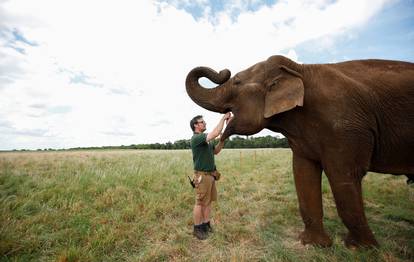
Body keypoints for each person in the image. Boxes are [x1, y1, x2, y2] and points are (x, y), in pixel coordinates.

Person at [189, 112, 233, 240]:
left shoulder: (206, 141)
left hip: (210, 176)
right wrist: (223, 118)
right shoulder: (197, 138)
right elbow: (215, 133)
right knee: (200, 203)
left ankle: (206, 225)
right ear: (196, 125)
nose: (205, 123)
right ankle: (197, 229)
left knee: (208, 203)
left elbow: (216, 151)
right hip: (201, 177)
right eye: (202, 122)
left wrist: (223, 138)